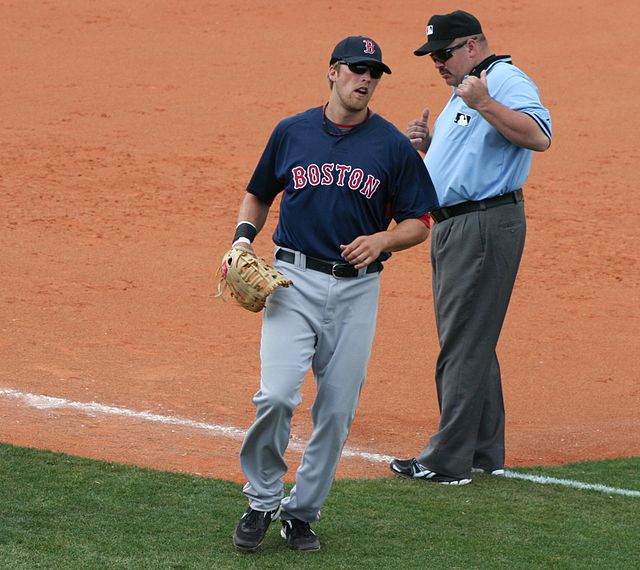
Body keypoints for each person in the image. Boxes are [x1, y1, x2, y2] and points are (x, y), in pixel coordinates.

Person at [230, 36, 439, 552]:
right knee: (276, 396)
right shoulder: (292, 132)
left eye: (374, 73)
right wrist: (240, 238)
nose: (365, 80)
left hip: (356, 293)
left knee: (337, 410)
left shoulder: (391, 145)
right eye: (356, 69)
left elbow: (420, 221)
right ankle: (260, 500)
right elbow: (259, 192)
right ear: (333, 72)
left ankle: (301, 513)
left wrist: (385, 238)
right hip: (292, 282)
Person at [390, 11, 552, 485]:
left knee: (461, 341)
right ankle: (482, 450)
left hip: (482, 225)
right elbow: (470, 157)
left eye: (444, 53)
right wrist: (430, 145)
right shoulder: (467, 89)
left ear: (474, 45)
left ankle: (447, 461)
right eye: (432, 56)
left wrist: (484, 103)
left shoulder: (501, 80)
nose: (437, 63)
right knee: (470, 337)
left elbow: (539, 136)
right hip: (455, 226)